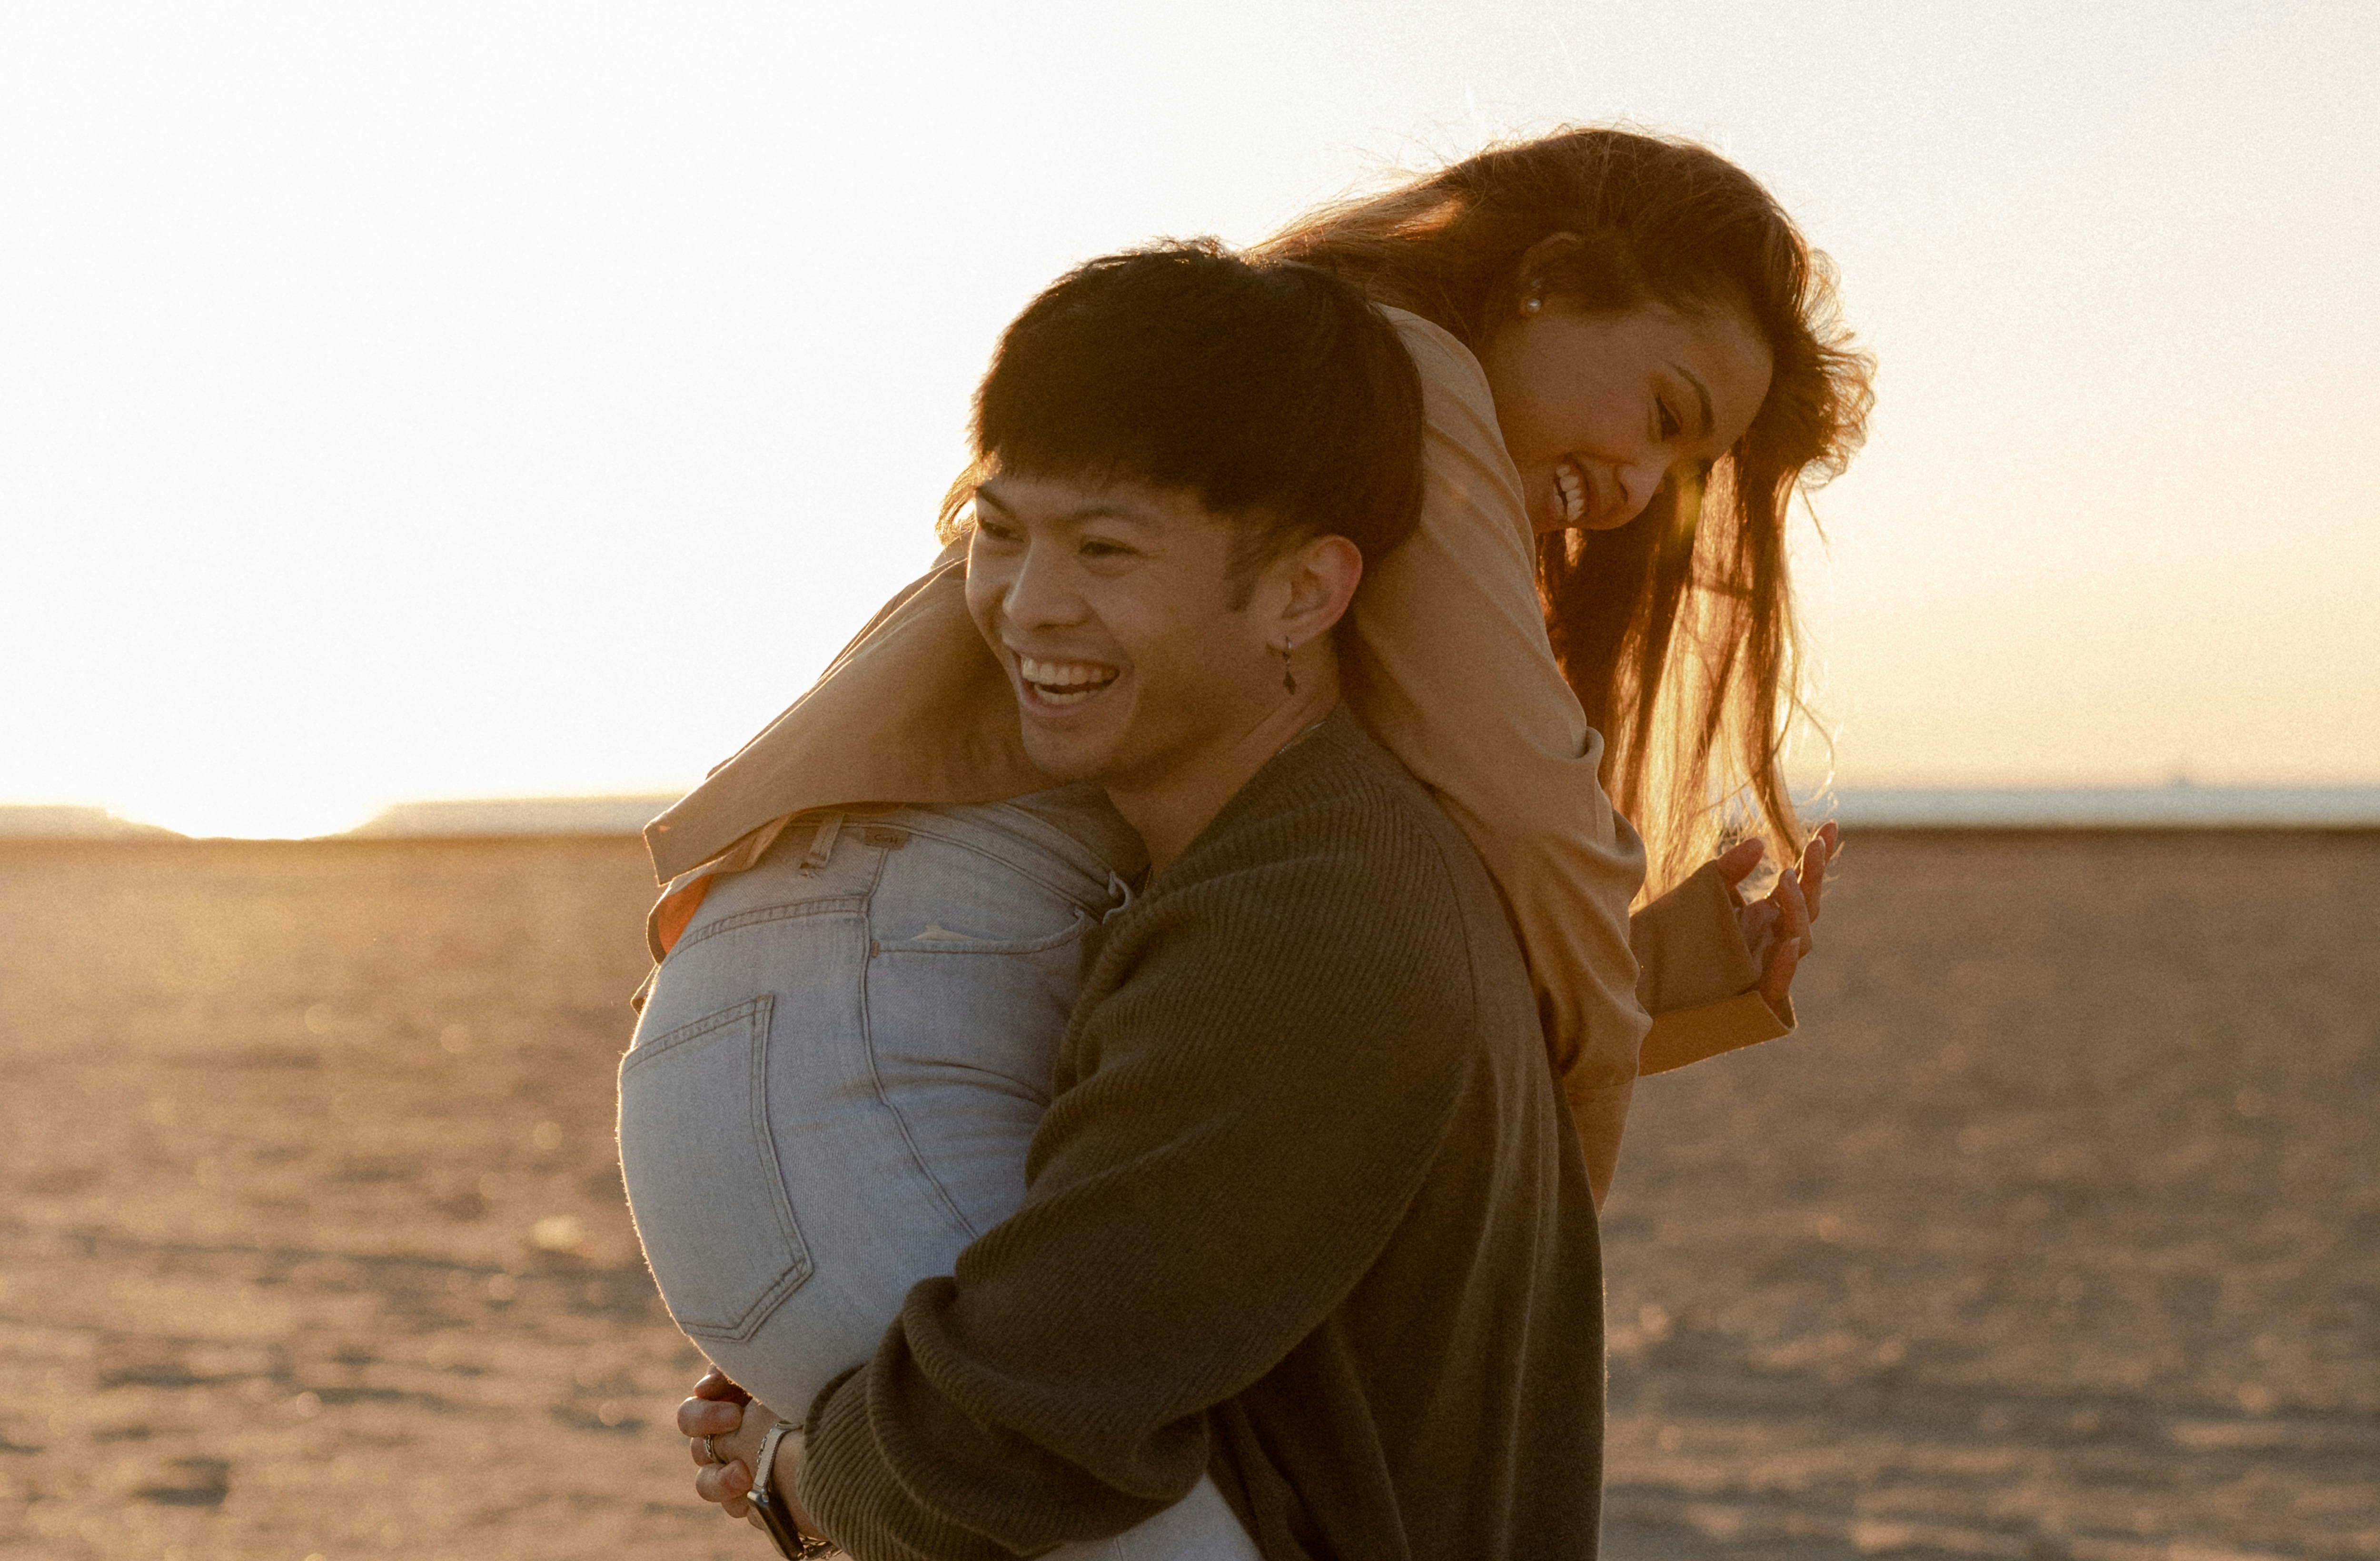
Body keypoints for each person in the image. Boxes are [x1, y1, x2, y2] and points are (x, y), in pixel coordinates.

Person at [640, 128, 1869, 1207]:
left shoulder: (1322, 421)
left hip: (840, 1005)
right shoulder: (1407, 374)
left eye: (1684, 476)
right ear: (1548, 280)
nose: (1637, 494)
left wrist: (1660, 977)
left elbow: (1353, 942)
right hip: (878, 1010)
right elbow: (1531, 814)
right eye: (1663, 412)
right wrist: (1561, 1201)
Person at [634, 241, 1604, 1558]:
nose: (1030, 608)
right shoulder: (1300, 857)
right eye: (1003, 531)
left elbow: (1018, 1432)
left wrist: (805, 1476)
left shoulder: (1306, 928)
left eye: (1106, 549)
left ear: (1303, 592)